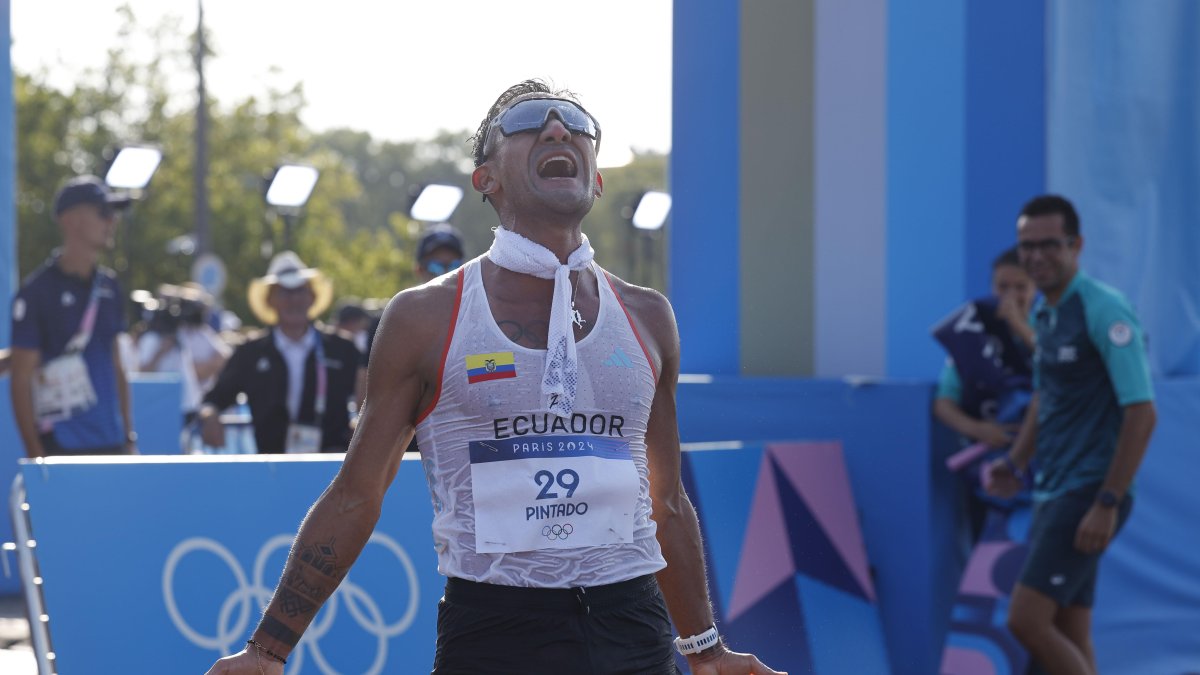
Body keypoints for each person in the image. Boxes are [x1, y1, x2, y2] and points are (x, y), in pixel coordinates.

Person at [206, 80, 782, 675]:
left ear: (598, 179)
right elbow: (357, 494)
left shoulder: (647, 315)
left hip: (634, 628)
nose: (559, 129)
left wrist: (707, 651)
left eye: (579, 124)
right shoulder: (425, 317)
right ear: (486, 178)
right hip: (497, 633)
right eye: (531, 120)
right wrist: (267, 650)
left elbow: (664, 500)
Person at [984, 195, 1156, 675]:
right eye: (1026, 247)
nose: (1035, 257)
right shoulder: (1045, 313)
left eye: (1048, 245)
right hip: (1051, 491)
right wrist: (1015, 462)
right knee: (1070, 629)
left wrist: (1107, 500)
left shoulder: (1104, 309)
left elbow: (1142, 413)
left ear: (1076, 246)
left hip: (1087, 495)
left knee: (1027, 622)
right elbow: (1045, 398)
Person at [8, 175, 138, 457]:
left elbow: (117, 365)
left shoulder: (110, 286)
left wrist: (129, 436)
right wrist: (34, 451)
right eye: (103, 213)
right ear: (73, 220)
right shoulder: (36, 293)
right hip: (60, 446)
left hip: (112, 443)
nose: (111, 222)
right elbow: (20, 377)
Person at [197, 252, 364, 454]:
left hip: (332, 467)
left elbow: (370, 401)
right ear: (270, 300)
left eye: (300, 291)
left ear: (312, 297)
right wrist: (210, 417)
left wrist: (360, 426)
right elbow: (214, 400)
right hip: (272, 469)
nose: (294, 300)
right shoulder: (251, 352)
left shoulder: (342, 349)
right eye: (284, 292)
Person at [932, 247, 1037, 541]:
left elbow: (1058, 367)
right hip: (989, 467)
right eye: (1003, 286)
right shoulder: (973, 338)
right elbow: (944, 402)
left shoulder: (1051, 329)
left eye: (1021, 287)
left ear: (1036, 289)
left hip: (1044, 469)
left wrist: (1019, 326)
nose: (1011, 295)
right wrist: (979, 430)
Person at [137, 283, 231, 424]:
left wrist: (201, 370)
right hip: (160, 407)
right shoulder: (151, 339)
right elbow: (142, 374)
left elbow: (224, 356)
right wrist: (161, 352)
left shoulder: (184, 333)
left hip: (188, 406)